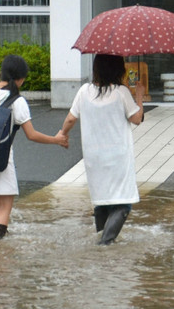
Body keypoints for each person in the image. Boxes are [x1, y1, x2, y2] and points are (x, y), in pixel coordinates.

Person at [0, 54, 68, 240]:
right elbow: (31, 135)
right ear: (21, 79)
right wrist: (56, 139)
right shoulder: (17, 101)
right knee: (4, 207)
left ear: (2, 72)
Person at [57, 54, 144, 245]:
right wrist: (139, 95)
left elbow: (71, 118)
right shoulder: (121, 92)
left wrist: (63, 134)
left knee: (102, 200)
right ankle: (105, 243)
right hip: (118, 156)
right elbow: (136, 118)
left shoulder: (84, 91)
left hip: (93, 157)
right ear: (118, 69)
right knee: (122, 202)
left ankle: (102, 240)